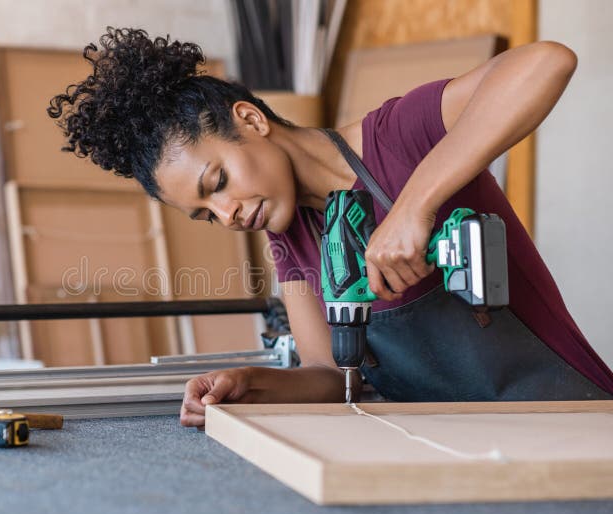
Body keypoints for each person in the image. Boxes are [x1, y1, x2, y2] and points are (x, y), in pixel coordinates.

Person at [48, 28, 613, 428]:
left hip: (571, 421)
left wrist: (413, 206)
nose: (226, 216)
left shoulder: (395, 138)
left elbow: (546, 61)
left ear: (250, 120)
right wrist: (250, 384)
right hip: (448, 448)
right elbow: (327, 374)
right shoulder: (288, 241)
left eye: (216, 182)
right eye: (204, 214)